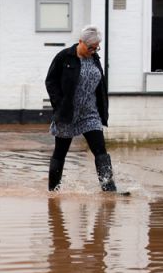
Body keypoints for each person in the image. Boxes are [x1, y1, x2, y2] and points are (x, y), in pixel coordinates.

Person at [44, 25, 119, 193]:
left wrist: (102, 109)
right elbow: (51, 81)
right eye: (90, 47)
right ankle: (53, 190)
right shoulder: (64, 57)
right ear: (80, 42)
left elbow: (100, 86)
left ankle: (109, 188)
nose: (93, 50)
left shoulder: (95, 59)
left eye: (96, 47)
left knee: (100, 150)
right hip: (67, 113)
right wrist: (59, 104)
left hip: (89, 113)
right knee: (60, 152)